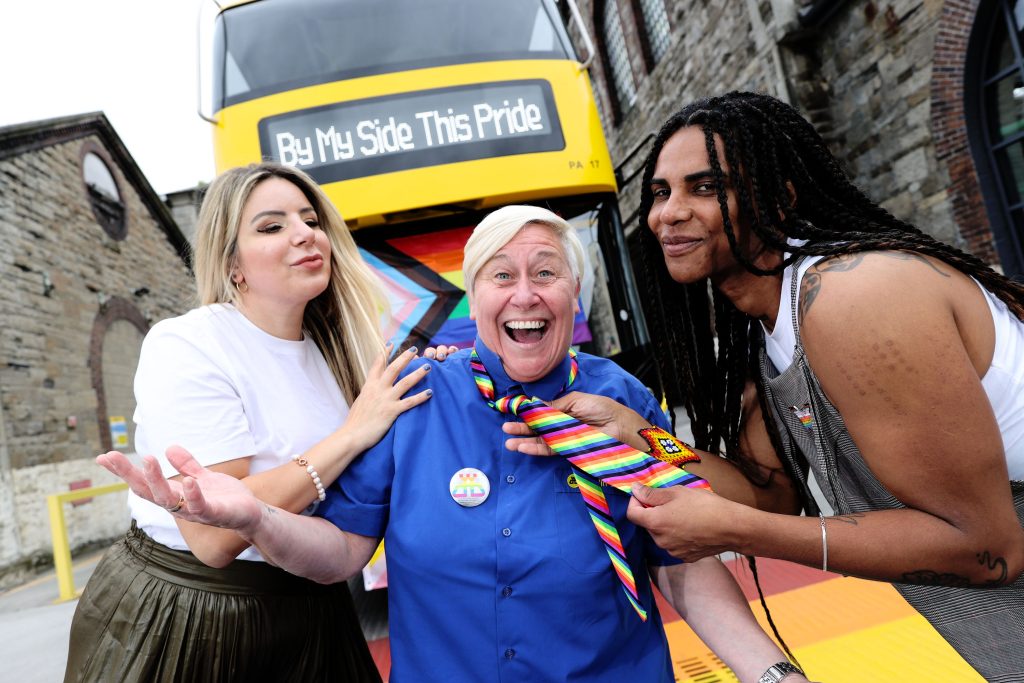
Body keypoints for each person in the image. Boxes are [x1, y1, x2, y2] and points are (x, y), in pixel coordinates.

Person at [101, 204, 811, 683]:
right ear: (476, 300)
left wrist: (774, 673)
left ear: (575, 292)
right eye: (501, 275)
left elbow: (680, 563)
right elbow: (341, 553)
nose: (525, 294)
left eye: (545, 272)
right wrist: (259, 518)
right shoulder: (414, 399)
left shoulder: (622, 400)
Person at [505, 91, 1024, 680]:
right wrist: (645, 438)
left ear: (780, 198)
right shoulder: (763, 330)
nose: (667, 213)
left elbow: (987, 550)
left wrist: (736, 531)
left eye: (705, 187)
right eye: (659, 192)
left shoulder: (857, 298)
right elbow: (768, 490)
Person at [66, 162, 433, 682]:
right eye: (272, 226)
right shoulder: (190, 344)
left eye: (310, 220)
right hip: (197, 613)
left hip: (313, 603)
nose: (305, 234)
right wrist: (352, 433)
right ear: (232, 262)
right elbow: (213, 539)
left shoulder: (336, 351)